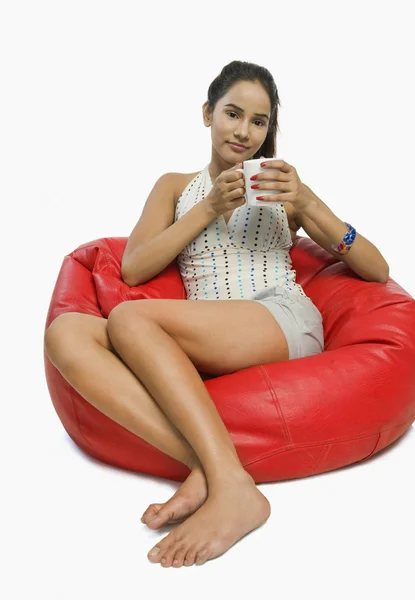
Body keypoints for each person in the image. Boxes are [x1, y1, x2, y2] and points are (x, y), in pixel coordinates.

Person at [44, 60, 389, 569]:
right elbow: (135, 269)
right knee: (67, 333)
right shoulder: (175, 186)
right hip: (210, 338)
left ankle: (232, 488)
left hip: (279, 318)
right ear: (208, 114)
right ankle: (212, 469)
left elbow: (377, 270)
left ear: (270, 130)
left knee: (131, 321)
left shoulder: (281, 190)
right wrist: (206, 208)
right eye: (232, 113)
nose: (244, 131)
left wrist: (312, 205)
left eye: (259, 121)